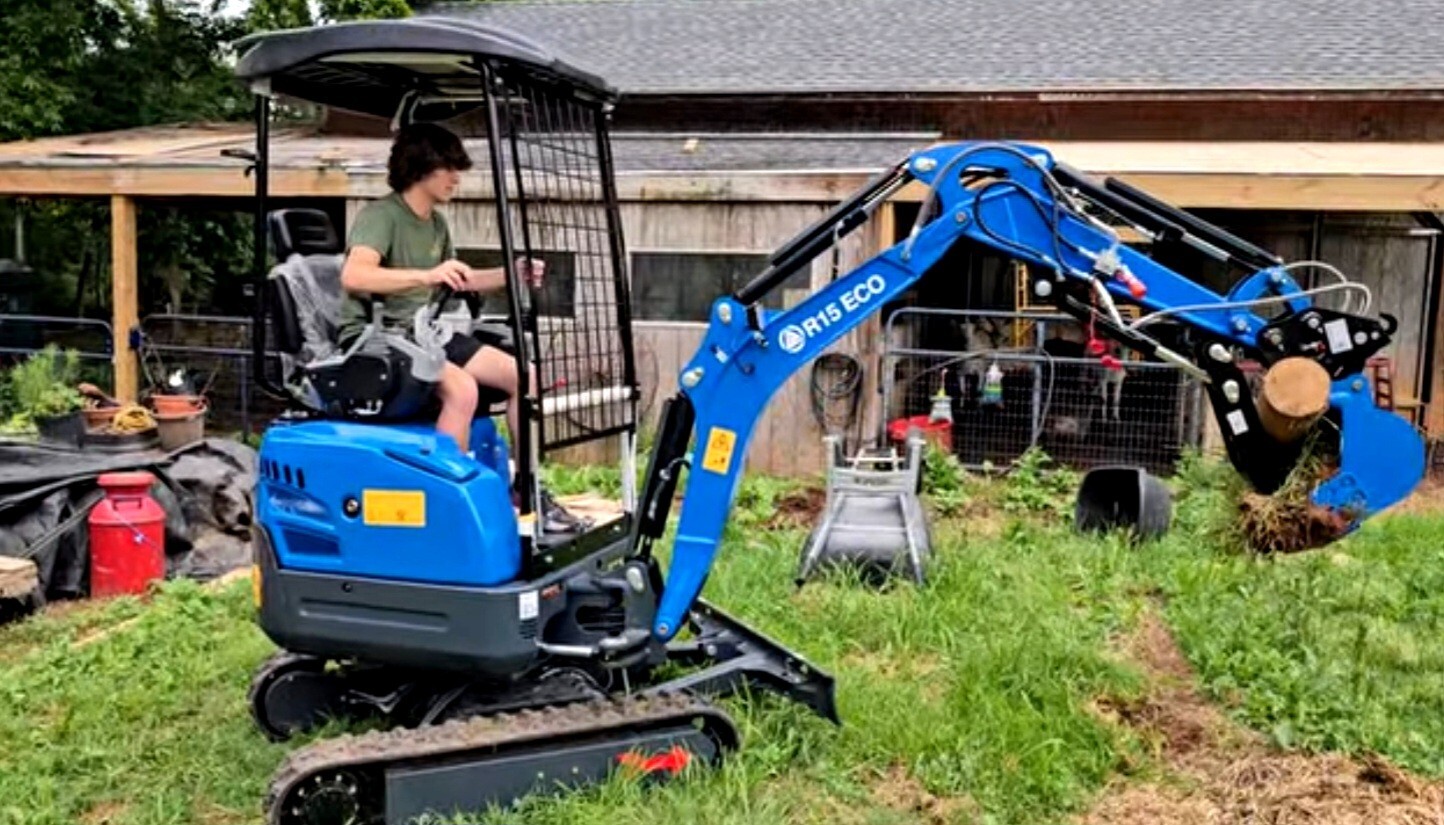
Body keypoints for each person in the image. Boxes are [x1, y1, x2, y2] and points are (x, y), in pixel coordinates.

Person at [338, 122, 584, 530]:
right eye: (449, 167)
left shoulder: (435, 223)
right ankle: (449, 500)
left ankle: (526, 487)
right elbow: (355, 276)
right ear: (421, 166)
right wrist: (426, 275)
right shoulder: (381, 216)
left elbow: (457, 278)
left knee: (525, 377)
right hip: (376, 340)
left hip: (423, 334)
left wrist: (512, 273)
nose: (457, 177)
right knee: (463, 390)